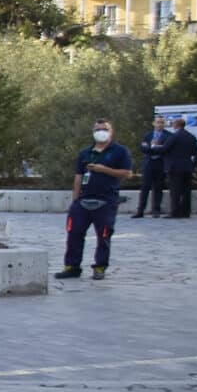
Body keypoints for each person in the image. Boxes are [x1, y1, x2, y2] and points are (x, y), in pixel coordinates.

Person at [56, 119, 133, 280]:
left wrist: (104, 170)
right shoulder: (85, 152)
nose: (101, 132)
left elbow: (127, 173)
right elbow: (78, 176)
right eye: (97, 129)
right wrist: (75, 200)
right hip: (82, 202)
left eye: (104, 129)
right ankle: (72, 267)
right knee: (74, 234)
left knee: (103, 236)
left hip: (106, 201)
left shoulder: (120, 151)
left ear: (111, 131)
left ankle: (100, 267)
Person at [134, 114, 170, 218]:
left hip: (160, 164)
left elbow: (166, 149)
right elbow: (143, 148)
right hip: (148, 164)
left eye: (162, 122)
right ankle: (140, 210)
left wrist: (154, 148)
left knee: (158, 187)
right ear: (154, 123)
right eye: (158, 122)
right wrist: (155, 149)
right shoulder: (148, 135)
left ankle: (156, 210)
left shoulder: (169, 136)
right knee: (145, 187)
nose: (160, 124)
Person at [166, 116, 197, 219]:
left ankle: (175, 212)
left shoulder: (174, 137)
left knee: (175, 191)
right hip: (187, 168)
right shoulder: (191, 137)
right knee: (186, 191)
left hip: (175, 168)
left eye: (173, 124)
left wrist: (153, 147)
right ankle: (186, 212)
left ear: (176, 125)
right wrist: (192, 165)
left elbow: (164, 149)